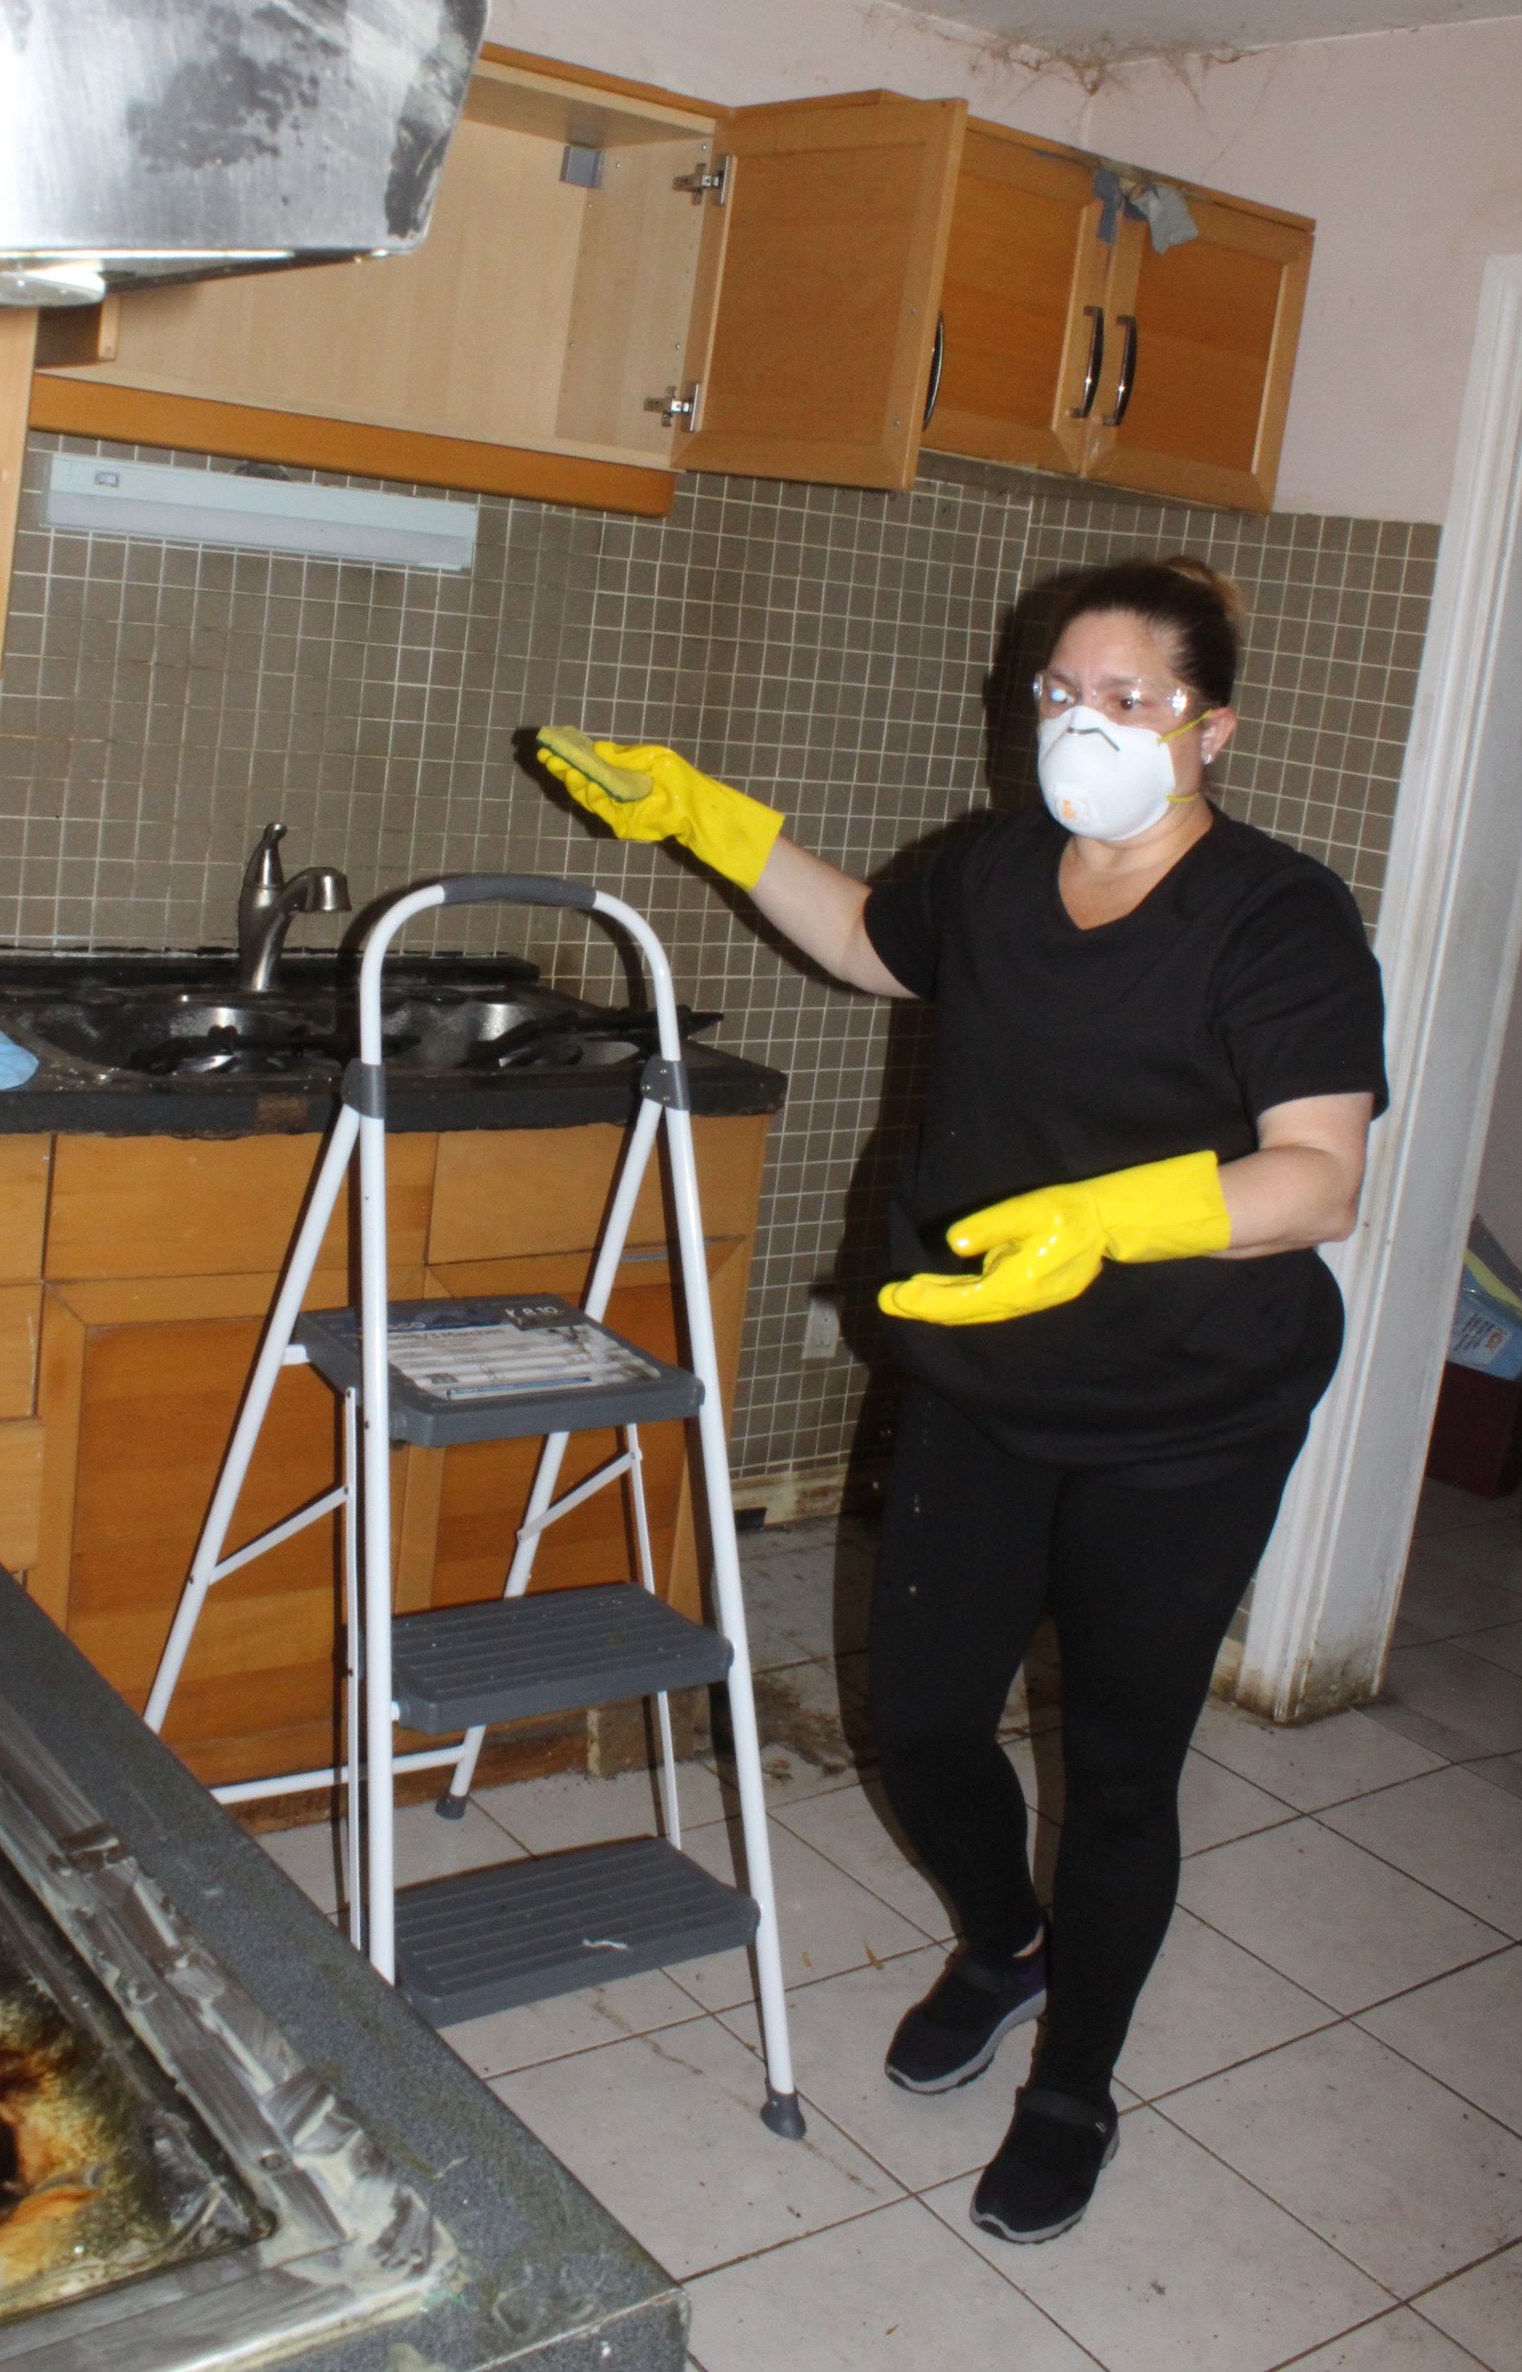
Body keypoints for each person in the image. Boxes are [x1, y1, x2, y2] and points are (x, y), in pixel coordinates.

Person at [534, 555, 1386, 2245]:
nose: (1085, 728)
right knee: (918, 1720)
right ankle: (1007, 1945)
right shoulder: (1001, 868)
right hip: (983, 1382)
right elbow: (867, 941)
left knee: (1122, 1766)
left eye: (1130, 700)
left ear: (1213, 727)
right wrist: (707, 818)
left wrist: (1110, 1220)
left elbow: (1318, 1179)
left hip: (1188, 1412)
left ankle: (1077, 2077)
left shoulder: (1278, 917)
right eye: (1061, 697)